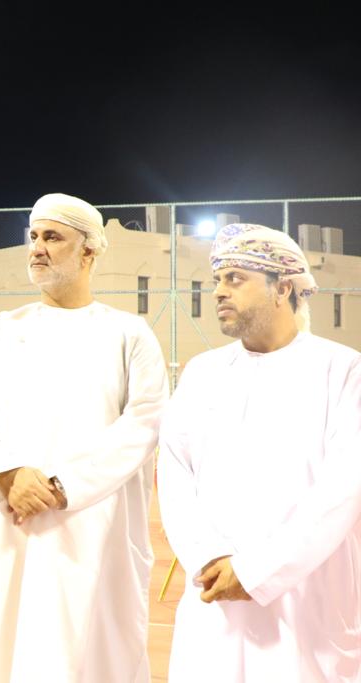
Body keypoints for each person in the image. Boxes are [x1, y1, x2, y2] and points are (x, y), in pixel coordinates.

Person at [0, 193, 169, 682]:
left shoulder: (128, 334)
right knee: (1, 649)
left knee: (89, 654)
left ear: (89, 250)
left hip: (93, 527)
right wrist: (7, 475)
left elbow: (144, 423)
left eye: (52, 237)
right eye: (33, 236)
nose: (37, 248)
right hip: (8, 522)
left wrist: (62, 486)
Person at [157, 223, 361, 682]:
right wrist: (207, 558)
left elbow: (343, 491)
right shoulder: (203, 373)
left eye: (235, 279)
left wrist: (257, 572)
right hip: (214, 597)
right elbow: (174, 474)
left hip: (305, 604)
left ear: (282, 287)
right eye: (217, 280)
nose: (218, 291)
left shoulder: (343, 370)